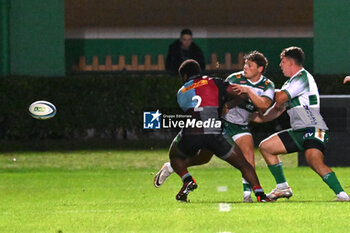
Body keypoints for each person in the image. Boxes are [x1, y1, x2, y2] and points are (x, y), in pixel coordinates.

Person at [154, 51, 275, 203]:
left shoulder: (181, 91)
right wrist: (230, 102)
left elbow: (190, 107)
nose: (245, 67)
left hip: (194, 129)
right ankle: (261, 196)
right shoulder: (215, 81)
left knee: (175, 155)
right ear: (200, 71)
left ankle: (187, 179)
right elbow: (241, 95)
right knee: (244, 164)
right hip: (216, 130)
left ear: (184, 77)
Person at [254, 46, 350, 201]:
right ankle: (282, 187)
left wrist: (260, 89)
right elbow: (278, 108)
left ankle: (342, 195)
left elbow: (279, 98)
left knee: (313, 159)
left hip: (313, 126)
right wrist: (260, 118)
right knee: (266, 147)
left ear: (291, 62)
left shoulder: (302, 77)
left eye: (283, 61)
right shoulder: (289, 84)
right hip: (298, 130)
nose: (280, 65)